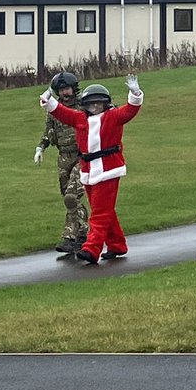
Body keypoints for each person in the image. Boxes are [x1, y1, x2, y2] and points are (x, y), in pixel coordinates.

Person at [39, 74, 143, 265]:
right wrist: (48, 100)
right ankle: (117, 245)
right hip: (88, 170)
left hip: (109, 169)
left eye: (98, 104)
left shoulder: (113, 116)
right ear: (85, 105)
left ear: (105, 104)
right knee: (104, 210)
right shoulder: (80, 118)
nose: (95, 108)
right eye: (91, 104)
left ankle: (91, 249)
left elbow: (130, 110)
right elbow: (60, 112)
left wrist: (135, 93)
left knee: (100, 213)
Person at [33, 71, 88, 254]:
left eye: (67, 89)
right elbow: (49, 131)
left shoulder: (84, 105)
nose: (65, 93)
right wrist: (41, 148)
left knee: (71, 197)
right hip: (64, 157)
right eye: (61, 90)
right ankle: (83, 235)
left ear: (74, 88)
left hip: (82, 155)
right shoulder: (54, 109)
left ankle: (69, 237)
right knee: (70, 200)